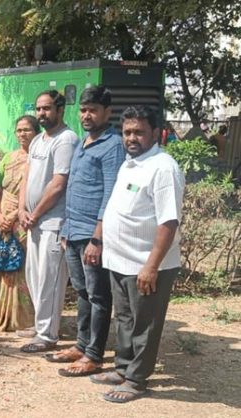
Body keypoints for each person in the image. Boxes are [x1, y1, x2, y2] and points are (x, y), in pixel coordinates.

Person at [92, 105, 184, 403]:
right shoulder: (130, 164)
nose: (132, 138)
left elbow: (168, 222)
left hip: (147, 264)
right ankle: (122, 368)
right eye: (127, 132)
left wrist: (151, 266)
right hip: (120, 262)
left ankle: (136, 380)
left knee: (146, 324)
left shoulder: (163, 167)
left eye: (139, 132)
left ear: (156, 134)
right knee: (126, 320)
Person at [47, 86, 125, 376]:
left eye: (93, 110)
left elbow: (110, 194)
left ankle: (94, 355)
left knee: (98, 295)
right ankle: (81, 345)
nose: (87, 115)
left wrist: (98, 238)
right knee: (81, 292)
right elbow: (75, 188)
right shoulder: (83, 142)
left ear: (108, 112)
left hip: (93, 235)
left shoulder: (112, 144)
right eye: (83, 110)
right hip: (74, 231)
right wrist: (67, 229)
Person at [17, 90, 79, 353]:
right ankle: (42, 326)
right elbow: (27, 176)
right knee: (34, 277)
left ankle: (47, 335)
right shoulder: (38, 141)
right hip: (33, 221)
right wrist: (21, 209)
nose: (41, 113)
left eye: (47, 108)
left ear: (60, 109)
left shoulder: (66, 140)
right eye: (39, 108)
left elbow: (58, 184)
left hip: (52, 221)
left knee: (50, 280)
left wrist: (36, 213)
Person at [0, 115, 39, 333]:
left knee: (20, 263)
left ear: (36, 132)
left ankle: (20, 318)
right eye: (19, 130)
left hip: (24, 220)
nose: (22, 134)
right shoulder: (8, 158)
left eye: (27, 130)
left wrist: (14, 216)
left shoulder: (39, 160)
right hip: (2, 218)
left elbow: (38, 192)